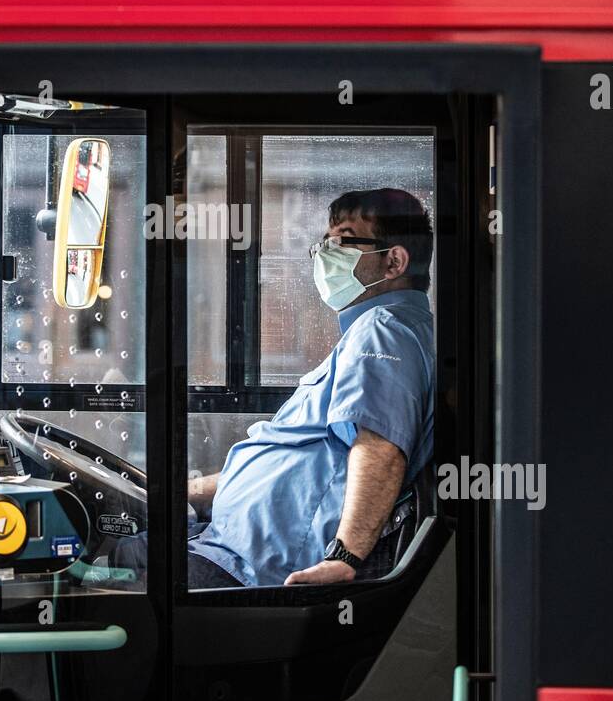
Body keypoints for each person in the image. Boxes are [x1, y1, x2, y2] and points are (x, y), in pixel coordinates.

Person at [112, 187, 434, 589]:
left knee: (102, 587)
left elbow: (381, 449)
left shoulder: (383, 330)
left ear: (394, 261)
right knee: (117, 551)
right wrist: (182, 491)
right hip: (227, 544)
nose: (325, 253)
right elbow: (297, 452)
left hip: (257, 565)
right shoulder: (378, 333)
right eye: (326, 241)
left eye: (344, 241)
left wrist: (344, 557)